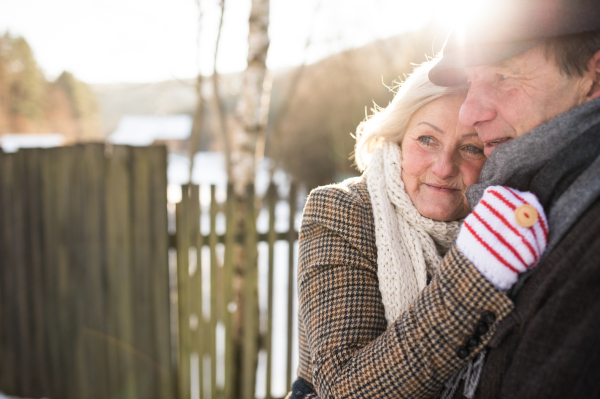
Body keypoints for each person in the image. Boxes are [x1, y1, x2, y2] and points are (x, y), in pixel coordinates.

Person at [287, 59, 547, 399]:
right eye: (427, 140)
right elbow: (341, 388)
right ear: (399, 137)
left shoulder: (508, 224)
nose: (443, 167)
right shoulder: (343, 209)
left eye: (470, 148)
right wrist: (473, 275)